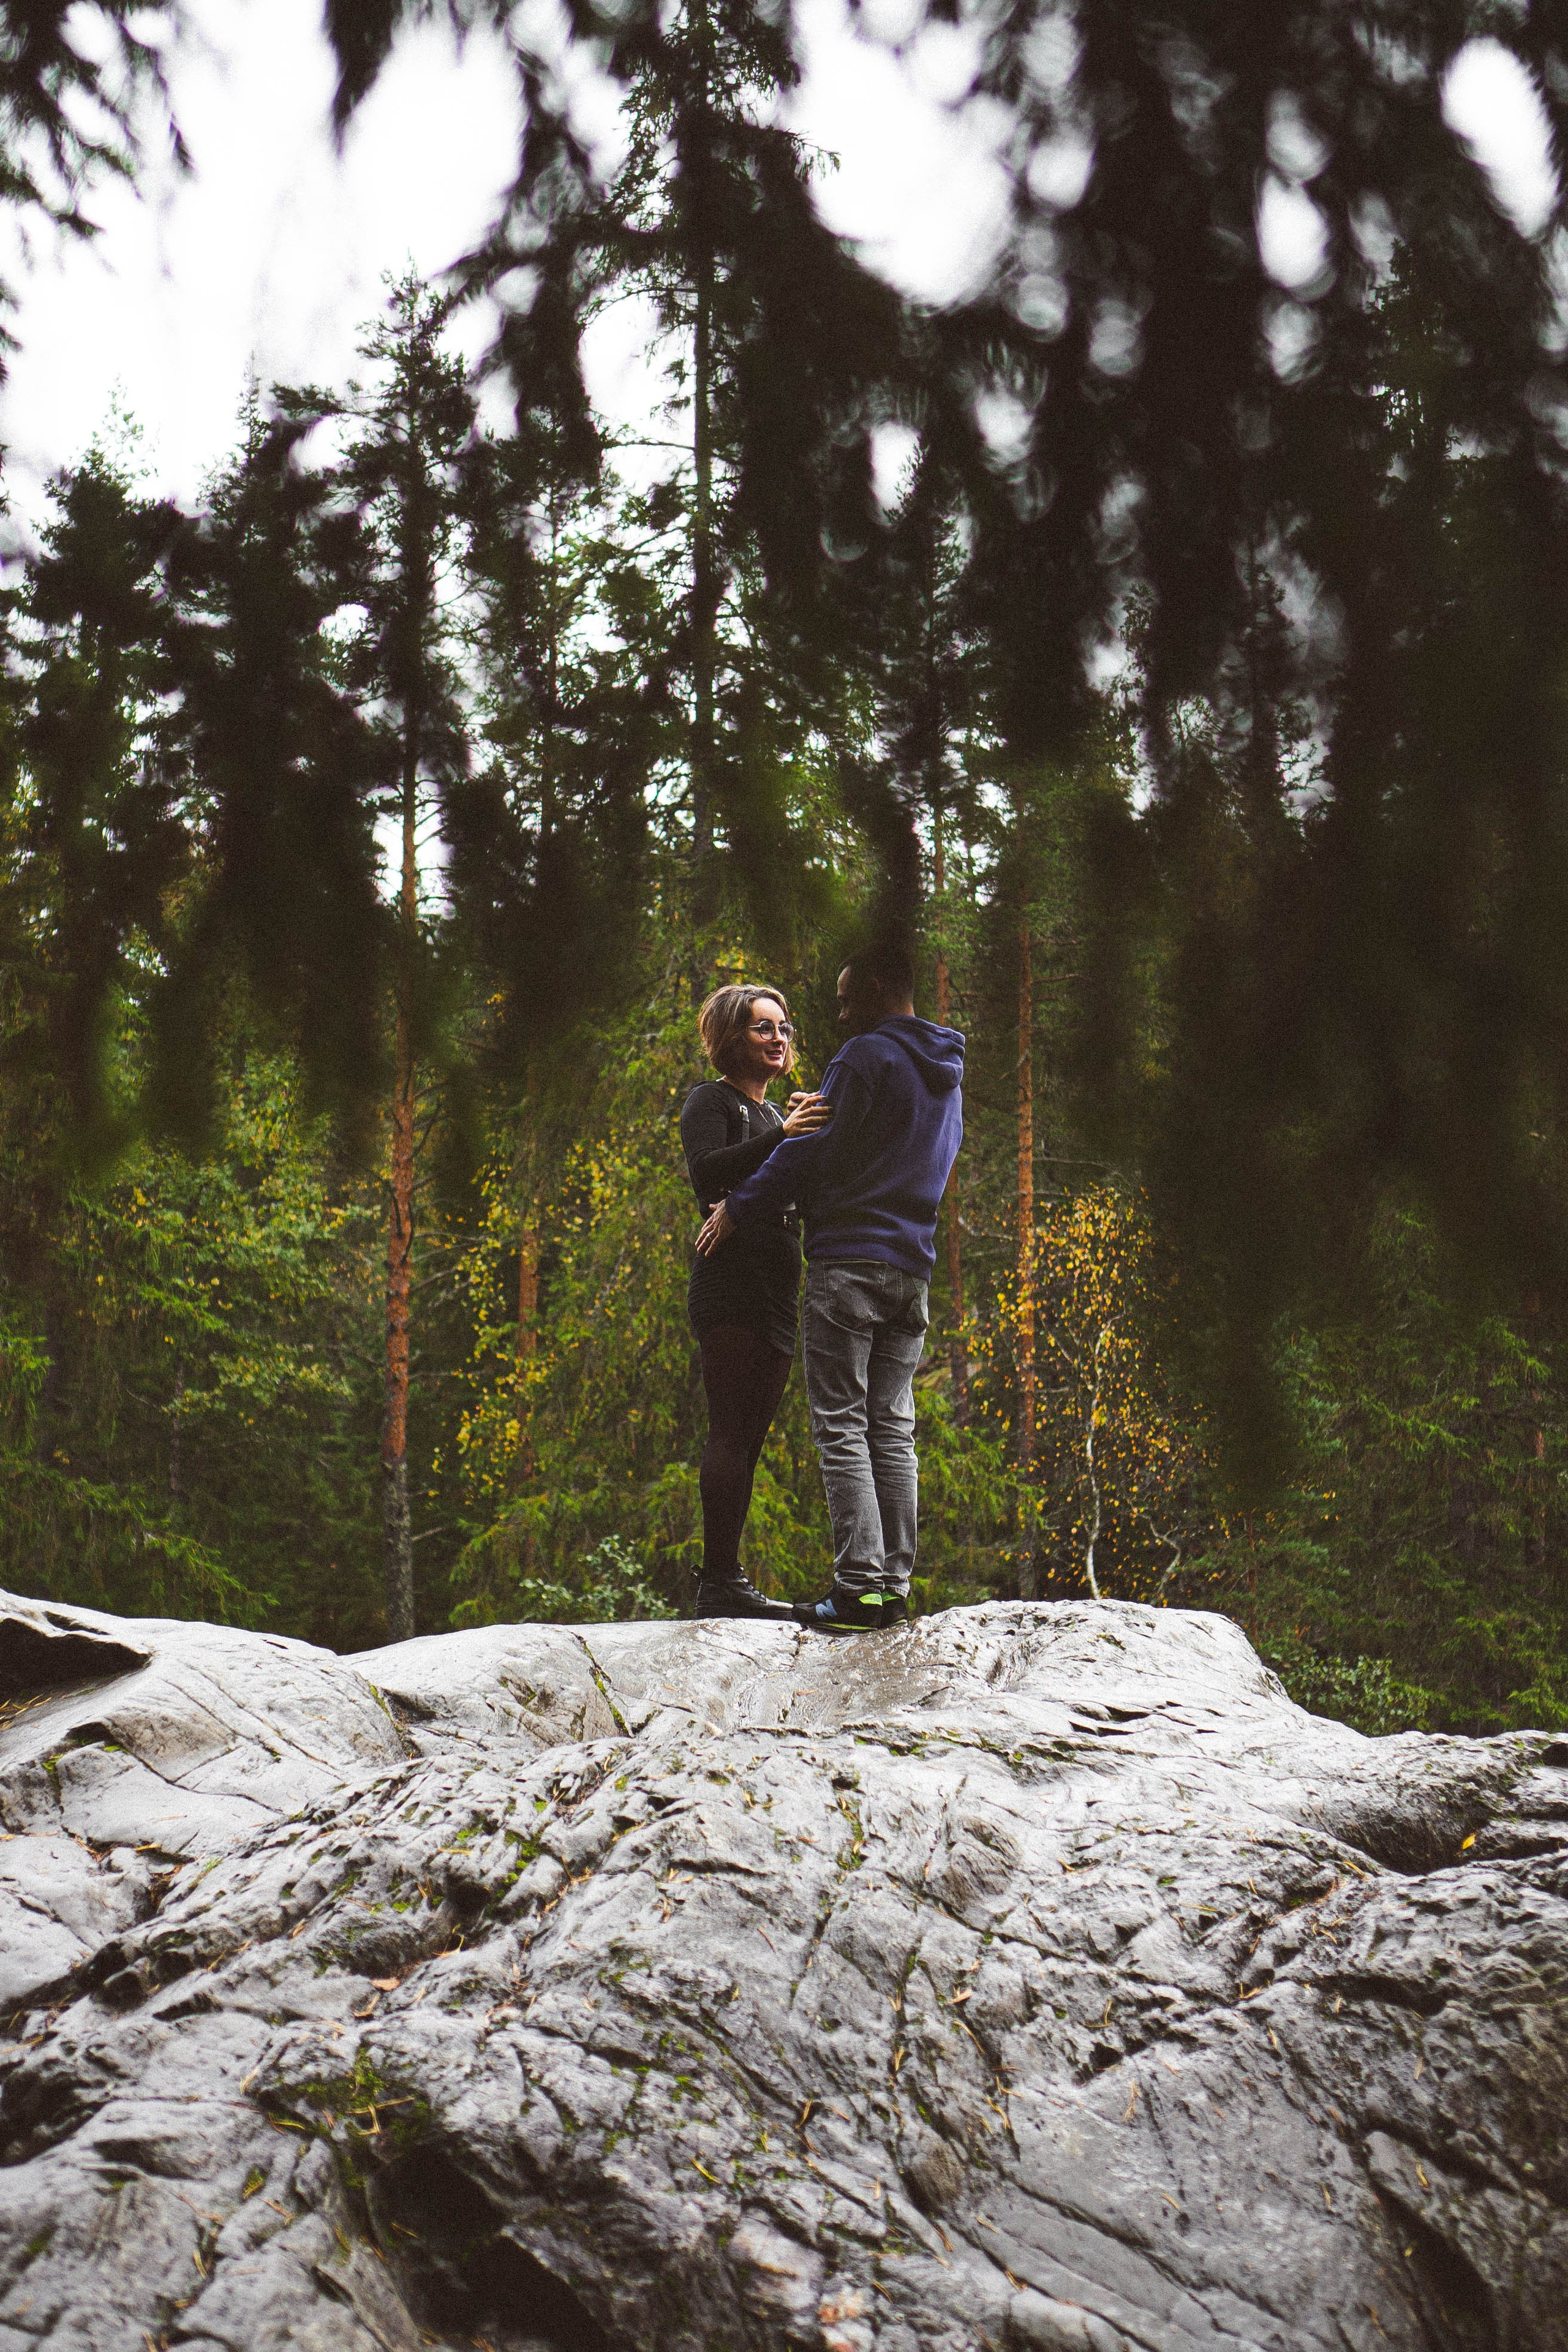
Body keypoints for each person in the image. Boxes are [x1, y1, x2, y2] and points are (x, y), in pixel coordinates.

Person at [695, 945, 964, 1633]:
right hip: (913, 1268)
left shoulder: (863, 1057)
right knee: (893, 1429)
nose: (837, 1015)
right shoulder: (946, 1076)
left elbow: (809, 1152)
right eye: (766, 1026)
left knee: (843, 1426)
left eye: (846, 998)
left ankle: (856, 1590)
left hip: (848, 1267)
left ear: (877, 986)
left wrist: (739, 1207)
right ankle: (889, 1590)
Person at [680, 983, 834, 1620]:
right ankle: (719, 1580)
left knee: (751, 1437)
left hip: (777, 1285)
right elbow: (707, 1173)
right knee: (728, 1428)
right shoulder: (709, 1101)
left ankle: (729, 1581)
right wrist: (785, 1137)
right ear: (728, 1038)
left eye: (785, 1029)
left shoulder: (776, 1116)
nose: (779, 1039)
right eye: (762, 1028)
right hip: (729, 1281)